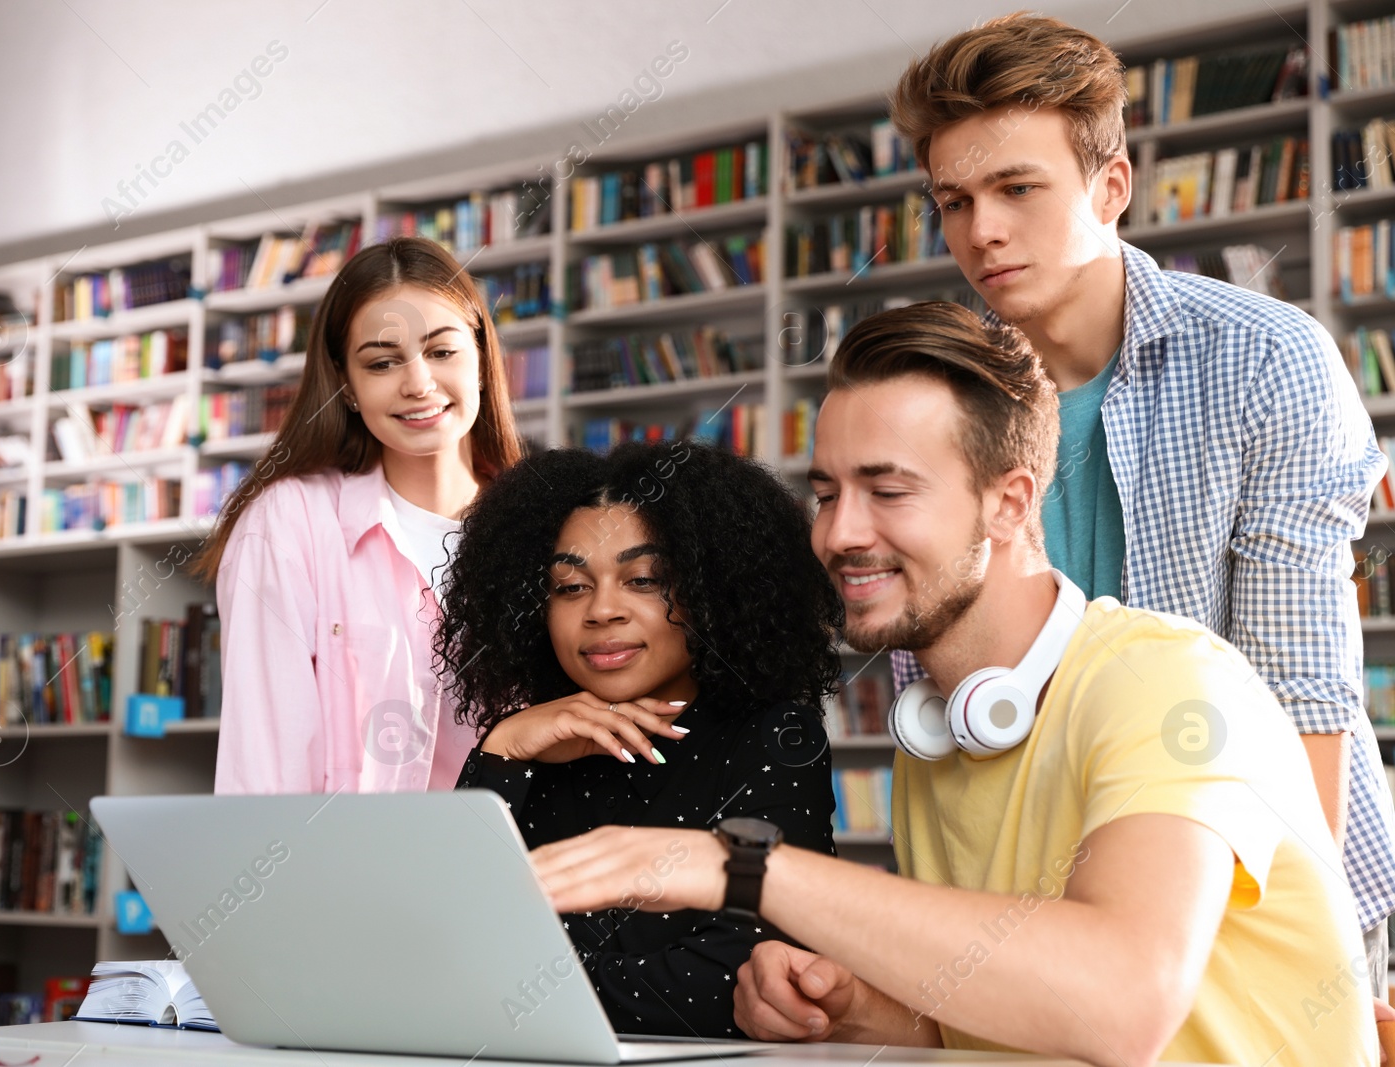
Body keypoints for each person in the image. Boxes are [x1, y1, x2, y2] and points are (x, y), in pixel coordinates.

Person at [531, 304, 1378, 1065]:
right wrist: (856, 1009)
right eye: (826, 492)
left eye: (887, 490)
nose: (838, 532)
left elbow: (1123, 999)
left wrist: (738, 867)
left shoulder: (1165, 683)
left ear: (1011, 503)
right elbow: (1009, 1011)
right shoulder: (941, 733)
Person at [884, 12, 1395, 993]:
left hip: (1261, 886)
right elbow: (951, 702)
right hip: (1039, 907)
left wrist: (1292, 951)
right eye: (952, 199)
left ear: (1109, 186)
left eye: (1016, 188)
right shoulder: (937, 405)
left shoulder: (1264, 361)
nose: (979, 228)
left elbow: (1300, 692)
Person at [436, 441, 842, 1039]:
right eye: (570, 587)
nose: (602, 610)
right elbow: (433, 942)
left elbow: (729, 984)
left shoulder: (773, 739)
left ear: (712, 589)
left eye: (643, 579)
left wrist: (507, 980)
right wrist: (501, 751)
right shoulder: (526, 748)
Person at [192, 236, 522, 794]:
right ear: (346, 388)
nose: (418, 384)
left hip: (518, 867)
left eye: (442, 352)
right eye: (382, 362)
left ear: (483, 361)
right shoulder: (288, 522)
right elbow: (264, 767)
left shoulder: (547, 527)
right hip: (345, 872)